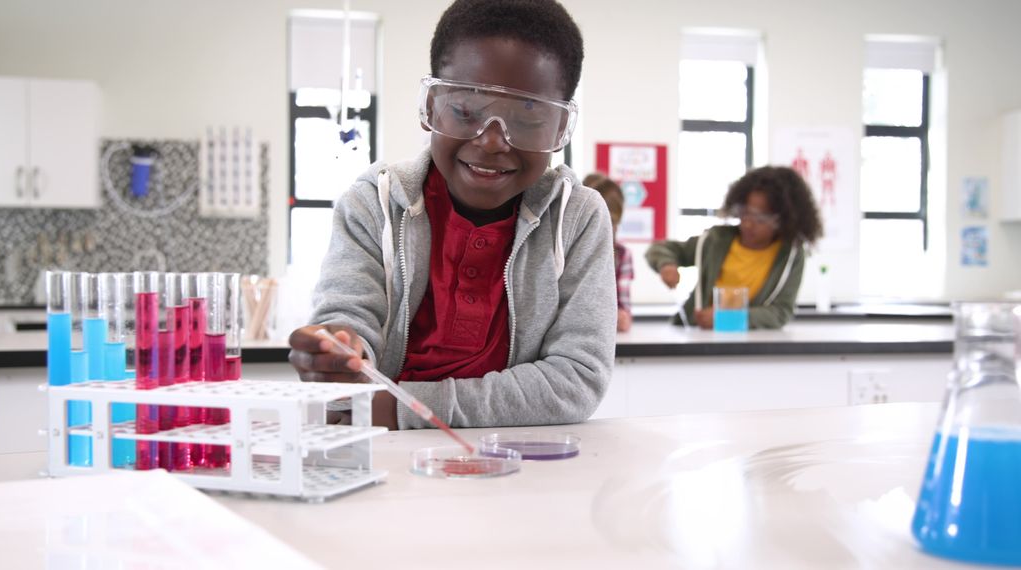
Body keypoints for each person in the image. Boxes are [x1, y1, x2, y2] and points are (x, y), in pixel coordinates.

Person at [287, 0, 615, 430]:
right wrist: (338, 353)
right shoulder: (375, 202)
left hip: (519, 467)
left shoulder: (577, 218)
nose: (493, 141)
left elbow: (576, 379)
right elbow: (349, 323)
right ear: (432, 106)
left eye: (527, 118)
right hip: (382, 462)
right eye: (465, 111)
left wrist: (399, 408)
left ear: (559, 130)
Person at [645, 166, 823, 330]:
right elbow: (661, 249)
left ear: (783, 221)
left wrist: (727, 319)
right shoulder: (716, 240)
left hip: (748, 349)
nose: (748, 223)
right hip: (695, 336)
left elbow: (781, 312)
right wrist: (666, 265)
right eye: (744, 213)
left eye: (760, 218)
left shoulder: (791, 255)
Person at [582, 172, 634, 332]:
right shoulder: (564, 252)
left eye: (612, 222)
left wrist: (622, 316)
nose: (609, 229)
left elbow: (624, 311)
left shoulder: (622, 255)